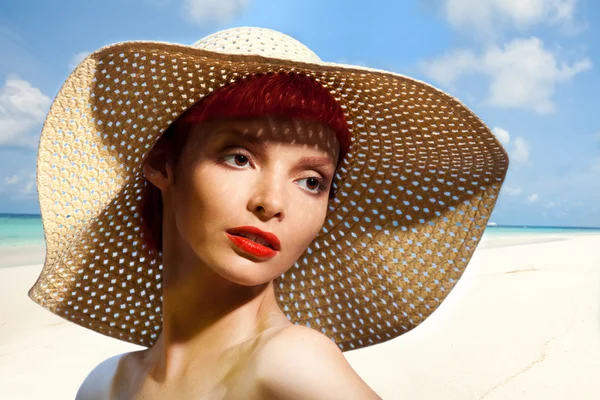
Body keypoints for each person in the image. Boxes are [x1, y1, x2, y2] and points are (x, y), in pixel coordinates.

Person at [30, 27, 509, 399]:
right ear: (162, 164)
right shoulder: (104, 385)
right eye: (239, 157)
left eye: (311, 181)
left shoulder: (291, 362)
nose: (272, 202)